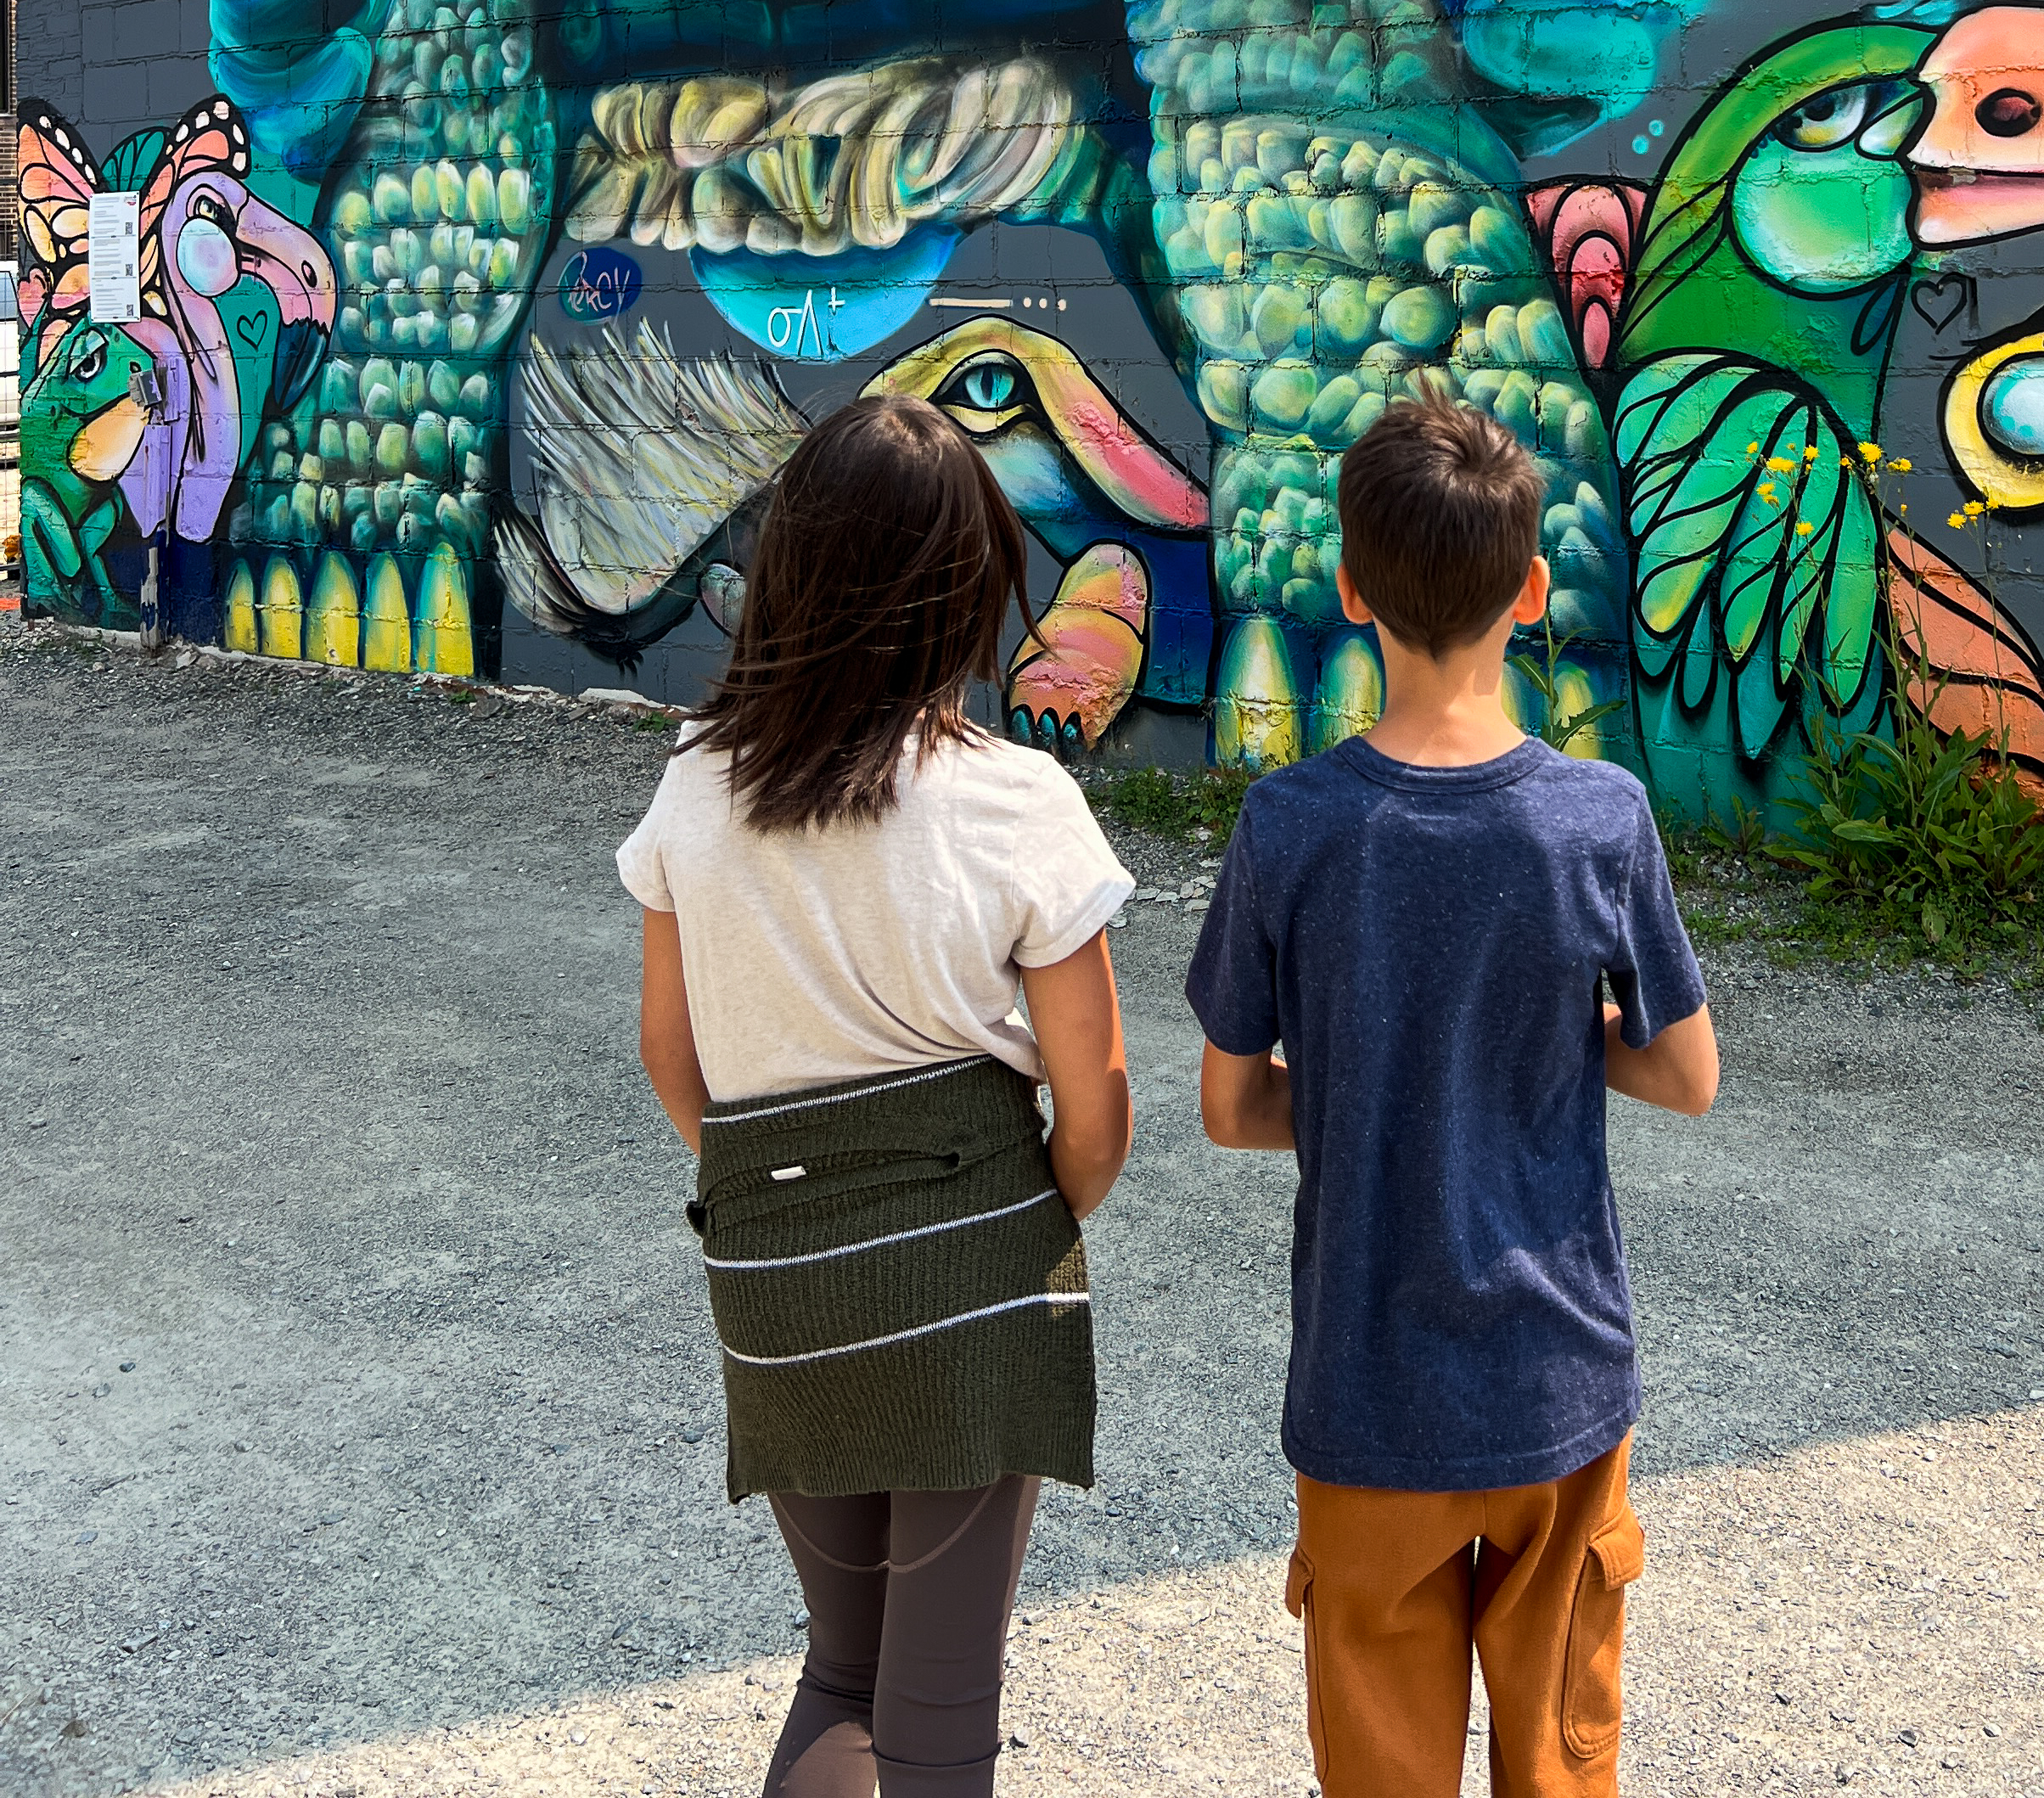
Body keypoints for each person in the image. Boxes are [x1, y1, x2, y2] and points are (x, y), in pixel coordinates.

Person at [1188, 391, 1718, 1797]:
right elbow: (1687, 1074)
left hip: (1368, 1400)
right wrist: (1550, 1042)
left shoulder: (1287, 825)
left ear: (1351, 589)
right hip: (1558, 1381)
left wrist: (1368, 1079)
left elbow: (1233, 1107)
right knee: (1560, 1767)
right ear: (1533, 593)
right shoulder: (1597, 818)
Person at [619, 393, 1135, 1798]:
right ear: (967, 590)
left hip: (779, 1275)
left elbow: (675, 1055)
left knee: (841, 1674)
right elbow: (1095, 1105)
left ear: (791, 567)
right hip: (972, 1274)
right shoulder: (1017, 801)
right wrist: (1025, 1218)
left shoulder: (698, 781)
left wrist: (786, 1187)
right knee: (942, 1713)